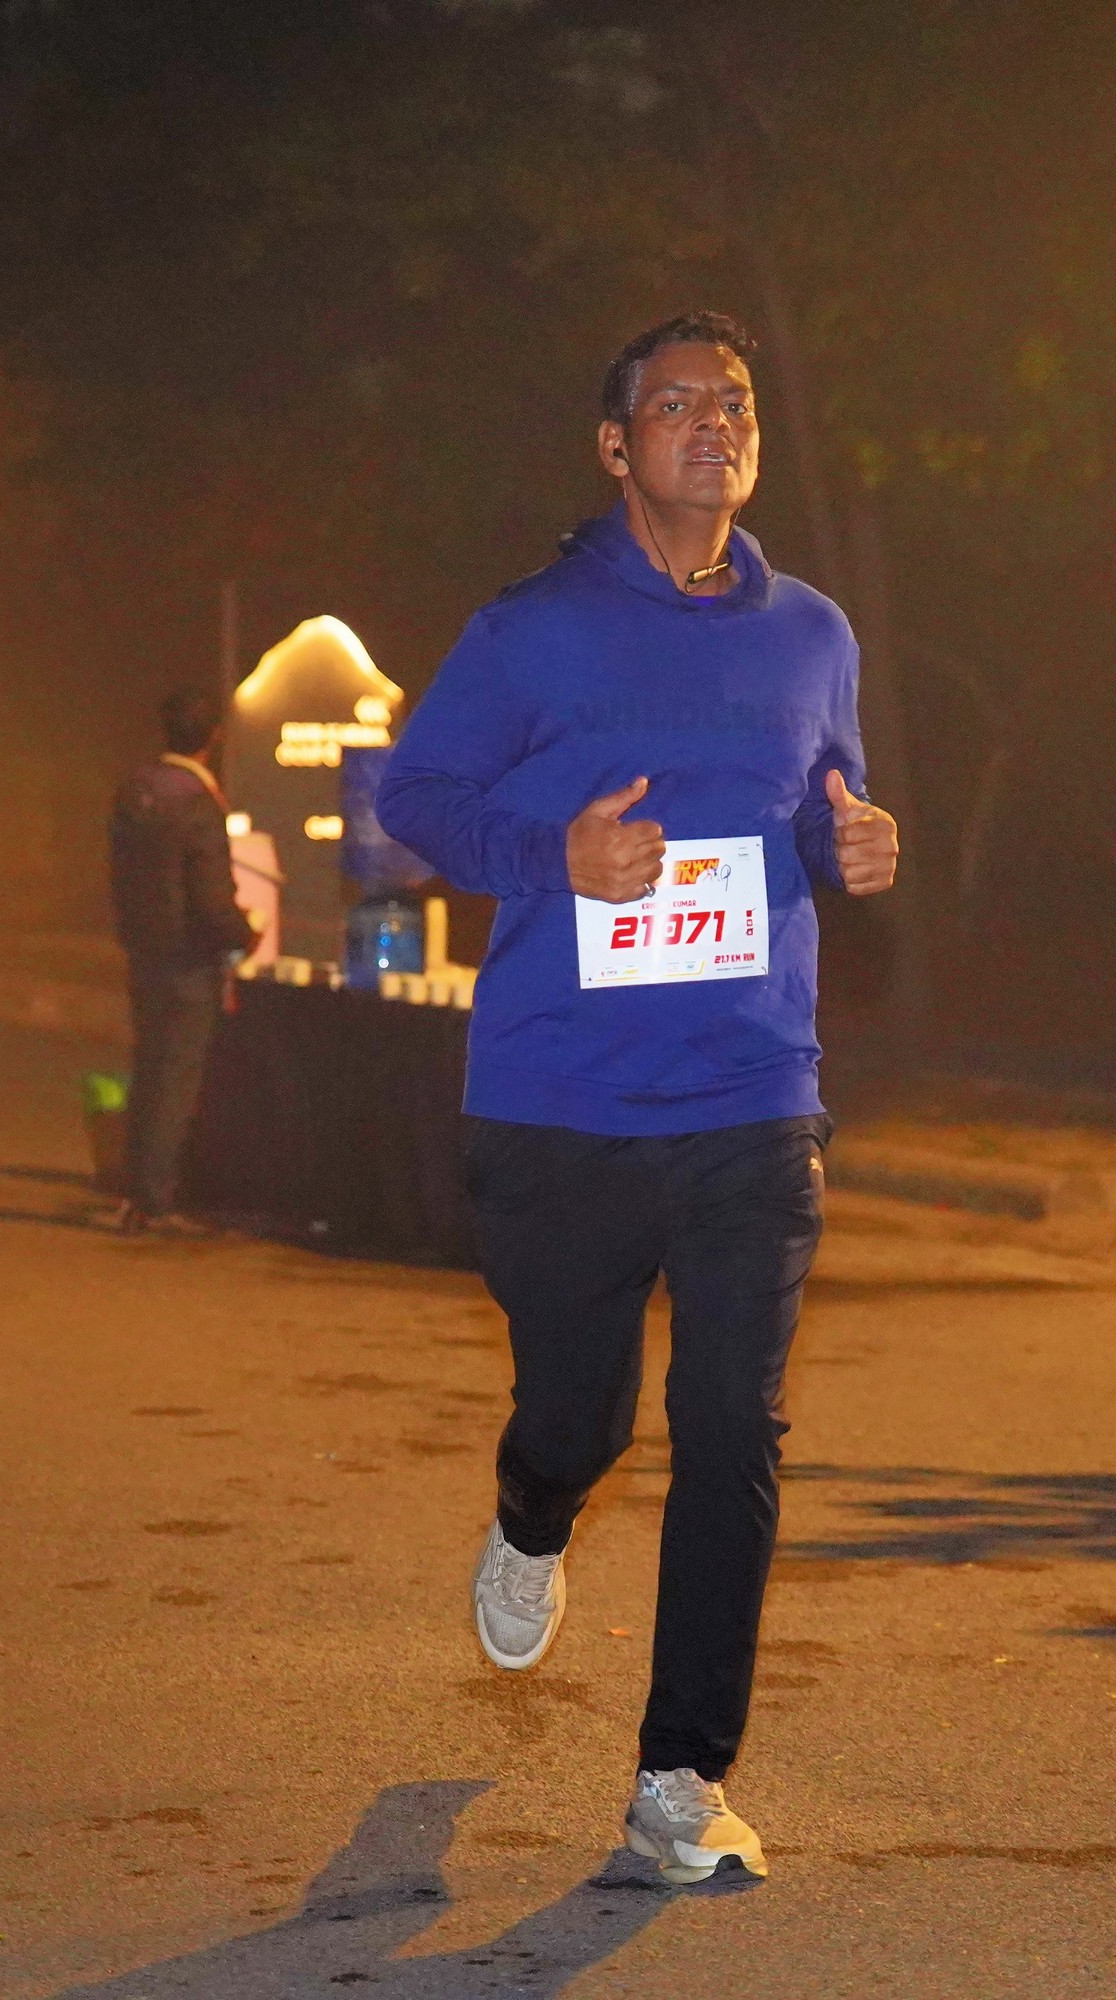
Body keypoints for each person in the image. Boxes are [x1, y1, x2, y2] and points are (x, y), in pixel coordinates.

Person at [377, 310, 900, 1888]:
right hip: (562, 1097)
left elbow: (820, 810)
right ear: (616, 447)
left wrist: (850, 849)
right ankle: (535, 1511)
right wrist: (557, 855)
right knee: (580, 1416)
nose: (711, 423)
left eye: (732, 403)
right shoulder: (531, 630)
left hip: (753, 1089)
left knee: (734, 1424)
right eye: (675, 405)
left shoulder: (812, 633)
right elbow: (414, 797)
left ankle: (682, 1778)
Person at [107, 685, 259, 1236]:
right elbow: (211, 897)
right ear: (213, 738)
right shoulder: (197, 802)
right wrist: (245, 934)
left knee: (149, 1069)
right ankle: (154, 1201)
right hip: (190, 960)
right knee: (176, 1080)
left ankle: (134, 1191)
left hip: (144, 952)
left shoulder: (136, 791)